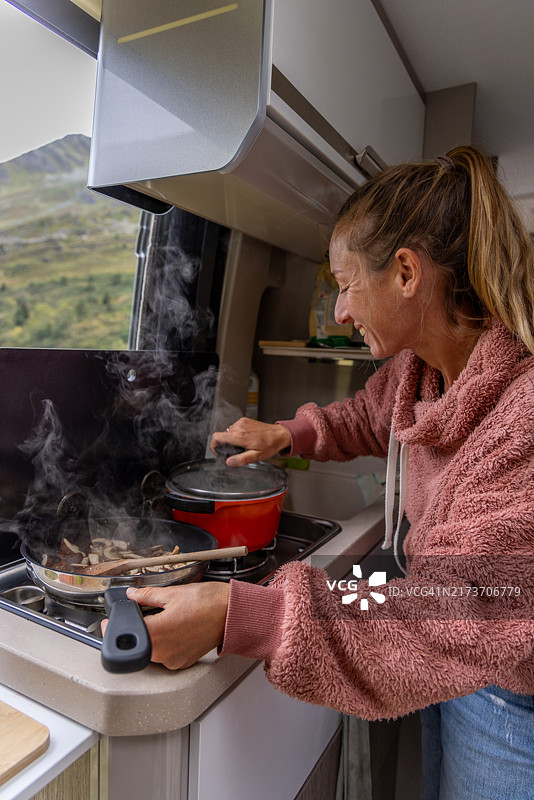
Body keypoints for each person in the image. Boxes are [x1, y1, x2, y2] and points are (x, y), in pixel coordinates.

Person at [125, 146, 534, 799]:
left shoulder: (522, 422)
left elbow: (456, 609)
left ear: (405, 272)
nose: (340, 312)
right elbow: (365, 419)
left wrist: (242, 612)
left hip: (517, 702)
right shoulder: (420, 371)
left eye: (346, 286)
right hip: (466, 647)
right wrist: (288, 433)